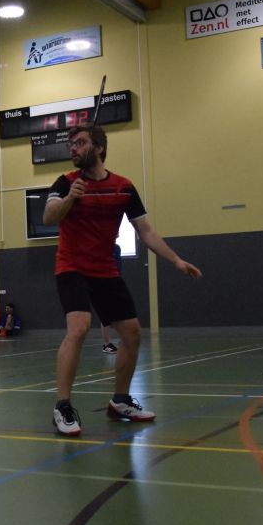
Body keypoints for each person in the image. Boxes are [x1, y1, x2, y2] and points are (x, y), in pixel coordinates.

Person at [43, 125, 202, 436]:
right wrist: (70, 199)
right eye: (71, 144)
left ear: (99, 148)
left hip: (105, 270)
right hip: (72, 266)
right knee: (78, 327)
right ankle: (62, 406)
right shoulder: (66, 182)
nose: (73, 148)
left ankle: (120, 401)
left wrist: (175, 260)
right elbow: (49, 216)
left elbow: (146, 231)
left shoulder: (124, 188)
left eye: (80, 142)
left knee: (132, 334)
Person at [100, 243, 124, 354]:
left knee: (119, 314)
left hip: (115, 282)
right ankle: (107, 344)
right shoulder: (102, 247)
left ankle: (123, 340)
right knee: (106, 315)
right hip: (104, 283)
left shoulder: (117, 248)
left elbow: (118, 268)